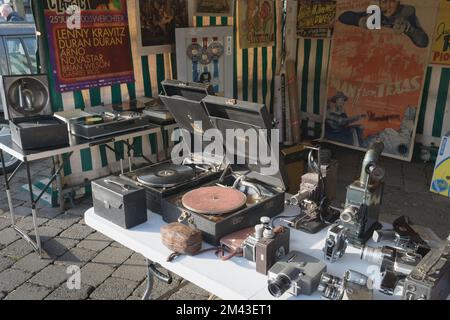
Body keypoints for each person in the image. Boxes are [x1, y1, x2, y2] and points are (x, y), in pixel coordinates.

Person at [338, 0, 429, 48]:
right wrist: (360, 21)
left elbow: (423, 42)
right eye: (384, 1)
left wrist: (409, 29)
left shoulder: (407, 12)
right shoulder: (376, 13)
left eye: (392, 1)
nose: (388, 5)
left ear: (398, 2)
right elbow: (343, 16)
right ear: (380, 2)